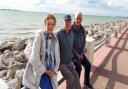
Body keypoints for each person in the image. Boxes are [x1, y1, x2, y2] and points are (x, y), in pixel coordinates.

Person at [23, 14, 60, 89]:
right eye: (48, 24)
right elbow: (34, 58)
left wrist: (54, 71)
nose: (50, 26)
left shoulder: (55, 39)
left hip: (51, 69)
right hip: (40, 70)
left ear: (54, 25)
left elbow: (57, 58)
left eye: (52, 24)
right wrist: (45, 71)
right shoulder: (39, 36)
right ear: (45, 24)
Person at [57, 15, 81, 89]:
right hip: (61, 64)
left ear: (71, 23)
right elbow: (54, 50)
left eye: (69, 21)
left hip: (69, 62)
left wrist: (77, 54)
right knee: (70, 78)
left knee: (76, 76)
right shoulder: (58, 34)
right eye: (66, 21)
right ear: (62, 23)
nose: (67, 23)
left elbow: (72, 48)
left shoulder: (72, 34)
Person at [71, 11, 94, 89]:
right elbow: (69, 45)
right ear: (74, 18)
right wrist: (77, 54)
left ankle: (86, 82)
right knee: (78, 67)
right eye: (77, 18)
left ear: (82, 19)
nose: (78, 20)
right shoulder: (70, 29)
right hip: (72, 55)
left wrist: (81, 54)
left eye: (80, 19)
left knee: (88, 65)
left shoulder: (82, 29)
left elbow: (84, 42)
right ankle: (76, 86)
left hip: (80, 54)